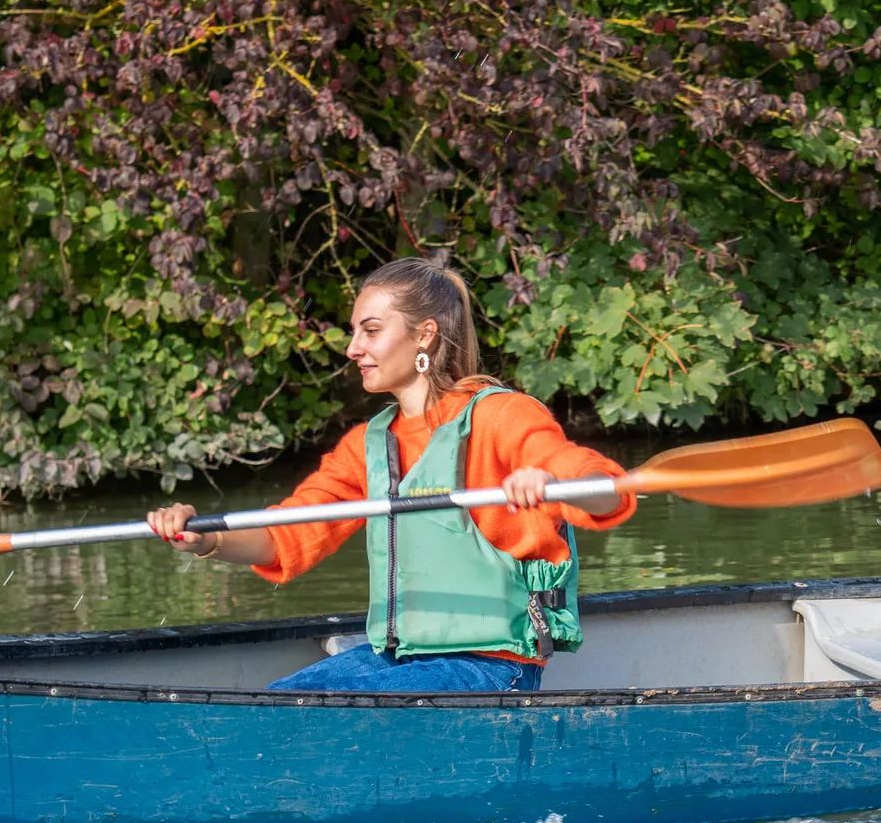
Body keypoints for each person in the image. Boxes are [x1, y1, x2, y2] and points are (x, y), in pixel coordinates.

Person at [146, 257, 635, 692]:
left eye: (371, 331)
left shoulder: (500, 415)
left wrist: (553, 485)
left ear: (424, 335)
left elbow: (601, 490)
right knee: (273, 702)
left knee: (311, 714)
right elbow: (283, 537)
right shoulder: (368, 445)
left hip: (491, 665)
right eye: (354, 332)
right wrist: (206, 538)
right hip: (401, 655)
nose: (352, 348)